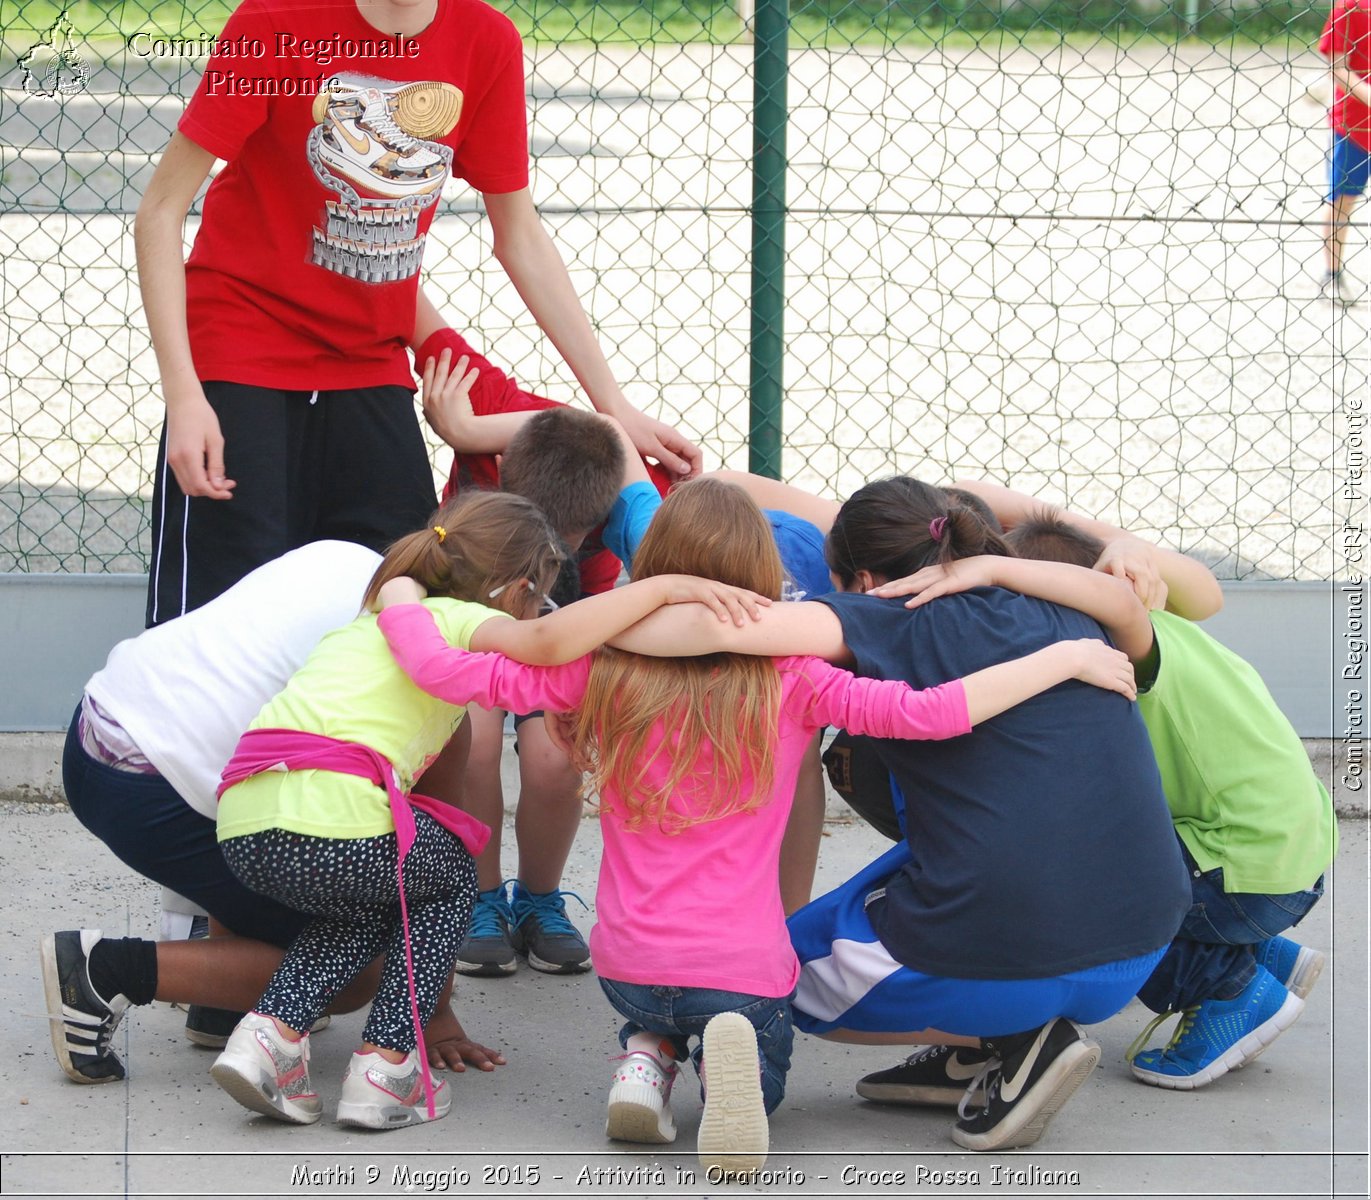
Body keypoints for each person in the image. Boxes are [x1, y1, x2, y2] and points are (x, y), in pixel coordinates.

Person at [372, 477, 1139, 1170]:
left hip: (624, 962)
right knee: (757, 1071)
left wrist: (403, 596)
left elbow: (443, 670)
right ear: (758, 574)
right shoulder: (797, 681)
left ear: (655, 566)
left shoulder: (592, 668)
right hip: (743, 972)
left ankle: (645, 1053)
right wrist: (1061, 659)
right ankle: (721, 1067)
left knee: (651, 1005)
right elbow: (927, 715)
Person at [604, 477, 1192, 1152]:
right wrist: (1000, 567)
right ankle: (974, 1049)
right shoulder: (1071, 607)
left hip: (1025, 949)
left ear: (860, 577)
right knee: (950, 847)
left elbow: (686, 631)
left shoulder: (875, 616)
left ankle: (1019, 1037)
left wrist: (642, 591)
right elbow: (1123, 598)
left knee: (763, 976)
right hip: (1141, 941)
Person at [205, 488, 769, 1130]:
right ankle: (387, 1065)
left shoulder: (374, 622)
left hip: (246, 819)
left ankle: (268, 1038)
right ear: (514, 587)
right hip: (333, 814)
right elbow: (543, 645)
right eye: (542, 597)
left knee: (376, 899)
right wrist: (659, 593)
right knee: (450, 883)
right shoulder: (454, 619)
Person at [135, 0, 700, 628]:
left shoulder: (484, 39)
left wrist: (612, 405)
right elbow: (160, 210)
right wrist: (186, 394)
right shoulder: (273, 21)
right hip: (242, 350)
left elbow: (520, 235)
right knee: (221, 615)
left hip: (368, 362)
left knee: (401, 596)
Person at [41, 538, 501, 1087]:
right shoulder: (423, 670)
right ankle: (103, 970)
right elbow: (427, 864)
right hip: (153, 788)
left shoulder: (346, 557)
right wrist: (435, 1016)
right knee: (358, 966)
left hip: (97, 733)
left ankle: (220, 1001)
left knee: (271, 846)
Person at [955, 510, 1334, 1089]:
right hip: (1290, 856)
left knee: (1064, 894)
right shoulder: (1171, 624)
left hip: (1248, 879)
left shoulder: (1128, 652)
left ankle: (1225, 987)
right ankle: (1265, 957)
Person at [1319, 0, 1371, 304]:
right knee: (1342, 199)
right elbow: (1338, 68)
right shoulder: (1349, 6)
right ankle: (1332, 275)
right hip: (1354, 125)